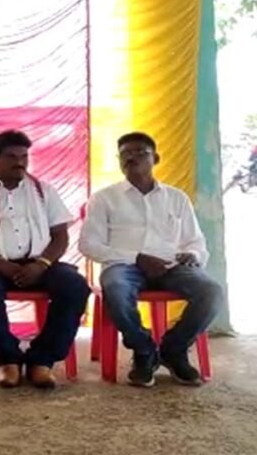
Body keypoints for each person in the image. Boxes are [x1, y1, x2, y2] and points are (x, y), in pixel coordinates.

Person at [80, 132, 223, 387]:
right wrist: (136, 258)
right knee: (116, 289)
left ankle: (174, 349)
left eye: (140, 152)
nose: (131, 158)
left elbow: (195, 241)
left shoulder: (176, 197)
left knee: (211, 291)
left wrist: (193, 255)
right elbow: (89, 245)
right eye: (125, 154)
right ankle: (144, 351)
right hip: (123, 266)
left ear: (155, 158)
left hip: (171, 266)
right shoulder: (104, 198)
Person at [0, 130, 90, 389]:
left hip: (40, 264)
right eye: (11, 157)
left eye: (24, 157)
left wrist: (41, 265)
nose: (20, 162)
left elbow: (60, 236)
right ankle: (8, 360)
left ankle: (42, 360)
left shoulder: (44, 190)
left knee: (75, 286)